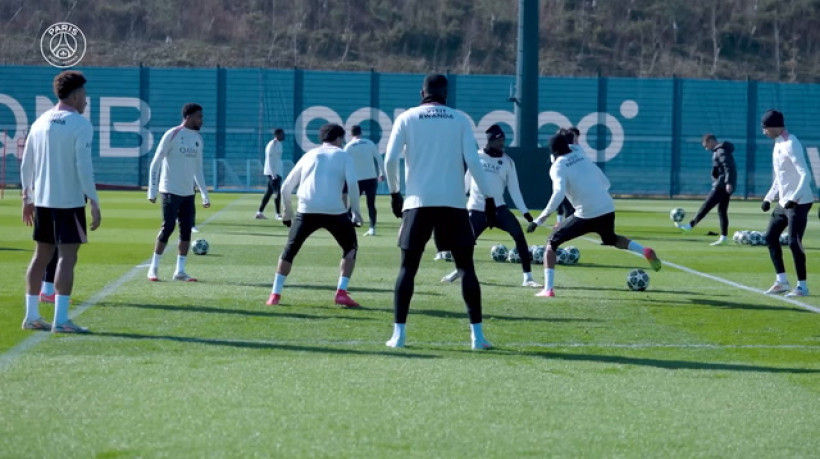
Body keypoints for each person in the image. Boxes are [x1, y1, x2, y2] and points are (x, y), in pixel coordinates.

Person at [384, 74, 497, 350]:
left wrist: (395, 193)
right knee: (466, 268)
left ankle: (398, 336)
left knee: (407, 269)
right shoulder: (459, 119)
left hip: (418, 202)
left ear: (422, 92)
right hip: (454, 203)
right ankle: (477, 337)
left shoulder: (407, 118)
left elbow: (389, 160)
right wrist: (490, 198)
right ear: (446, 94)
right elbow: (473, 161)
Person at [527, 132, 662, 297]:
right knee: (610, 239)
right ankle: (644, 250)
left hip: (586, 213)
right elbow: (605, 182)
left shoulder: (557, 167)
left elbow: (558, 193)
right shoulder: (580, 154)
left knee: (551, 243)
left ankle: (548, 289)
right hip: (607, 206)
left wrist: (540, 219)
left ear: (553, 153)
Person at [20, 70, 101, 333]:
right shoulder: (80, 124)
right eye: (85, 95)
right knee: (67, 257)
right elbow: (83, 167)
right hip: (68, 201)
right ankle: (61, 319)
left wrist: (27, 197)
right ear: (76, 95)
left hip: (43, 201)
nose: (86, 101)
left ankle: (32, 316)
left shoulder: (40, 121)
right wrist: (94, 200)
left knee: (41, 256)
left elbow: (26, 163)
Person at [267, 123, 363, 307]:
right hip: (335, 211)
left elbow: (286, 187)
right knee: (350, 248)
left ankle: (275, 294)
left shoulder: (308, 155)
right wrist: (356, 213)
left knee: (289, 251)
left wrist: (288, 212)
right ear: (338, 139)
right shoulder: (344, 156)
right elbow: (353, 186)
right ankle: (341, 292)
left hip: (306, 210)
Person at [441, 124, 541, 287]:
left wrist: (526, 213)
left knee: (519, 235)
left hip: (498, 209)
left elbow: (515, 190)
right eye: (499, 140)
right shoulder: (476, 157)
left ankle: (528, 278)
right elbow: (465, 184)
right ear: (490, 141)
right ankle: (458, 271)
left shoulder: (508, 162)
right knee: (466, 243)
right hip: (477, 209)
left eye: (503, 140)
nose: (502, 143)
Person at [147, 103, 210, 282]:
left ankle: (180, 271)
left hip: (188, 193)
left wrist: (204, 194)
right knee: (167, 228)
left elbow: (198, 169)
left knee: (186, 232)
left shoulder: (198, 139)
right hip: (169, 191)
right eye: (199, 116)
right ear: (188, 117)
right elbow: (156, 161)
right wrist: (152, 190)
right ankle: (153, 268)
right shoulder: (173, 134)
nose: (201, 120)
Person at [759, 109, 813, 297]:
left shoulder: (791, 143)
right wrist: (768, 197)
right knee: (770, 237)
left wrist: (793, 198)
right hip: (784, 201)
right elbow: (780, 177)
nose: (763, 131)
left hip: (800, 201)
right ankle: (781, 281)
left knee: (793, 242)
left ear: (775, 127)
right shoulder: (778, 143)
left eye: (765, 127)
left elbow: (805, 174)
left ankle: (802, 286)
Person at [675, 134, 736, 245]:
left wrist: (728, 182)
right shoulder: (719, 151)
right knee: (722, 211)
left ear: (710, 141)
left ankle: (690, 226)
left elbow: (728, 166)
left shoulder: (720, 151)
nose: (706, 148)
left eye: (706, 145)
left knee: (706, 206)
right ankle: (723, 238)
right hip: (723, 184)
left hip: (721, 185)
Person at [344, 125, 385, 236]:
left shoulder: (349, 146)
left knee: (352, 204)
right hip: (371, 178)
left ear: (350, 134)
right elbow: (379, 158)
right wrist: (382, 173)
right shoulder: (369, 143)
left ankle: (348, 226)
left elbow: (343, 163)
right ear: (361, 132)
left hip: (357, 179)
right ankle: (372, 228)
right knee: (371, 204)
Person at [256, 128, 285, 220]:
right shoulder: (271, 145)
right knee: (277, 192)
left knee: (269, 193)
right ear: (277, 135)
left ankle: (259, 212)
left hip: (277, 172)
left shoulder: (279, 144)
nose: (283, 136)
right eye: (282, 134)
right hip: (272, 173)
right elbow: (269, 161)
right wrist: (273, 175)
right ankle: (278, 214)